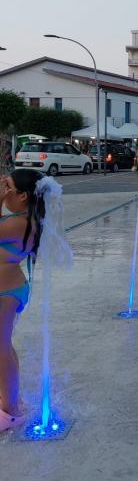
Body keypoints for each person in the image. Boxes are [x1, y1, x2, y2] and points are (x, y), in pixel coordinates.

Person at [0, 169, 46, 431]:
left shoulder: (20, 223)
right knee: (3, 347)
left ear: (23, 195)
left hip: (5, 292)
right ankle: (9, 397)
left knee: (1, 349)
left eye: (7, 186)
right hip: (9, 289)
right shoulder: (22, 218)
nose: (3, 190)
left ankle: (11, 411)